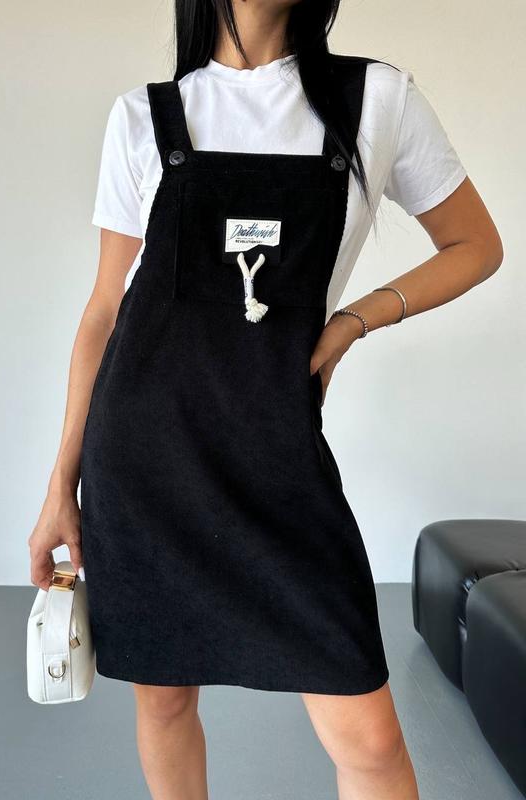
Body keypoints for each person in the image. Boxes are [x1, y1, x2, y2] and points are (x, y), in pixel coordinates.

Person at [28, 1, 503, 798]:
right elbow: (105, 311)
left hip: (279, 456)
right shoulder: (146, 116)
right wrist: (58, 487)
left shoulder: (376, 100)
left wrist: (353, 320)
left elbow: (477, 245)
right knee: (165, 699)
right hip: (145, 457)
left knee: (370, 740)